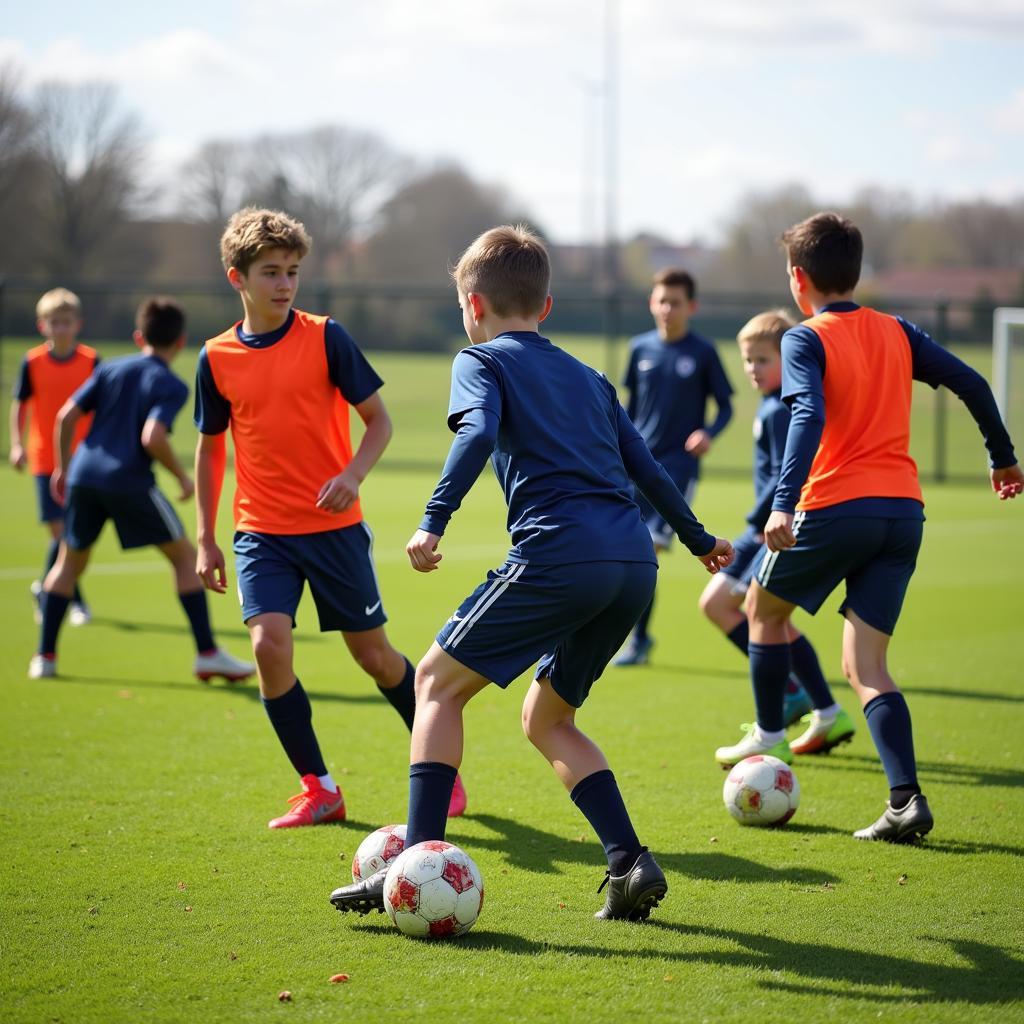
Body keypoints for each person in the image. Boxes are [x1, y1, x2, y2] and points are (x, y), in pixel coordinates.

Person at [329, 225, 733, 922]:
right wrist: (697, 541)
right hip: (634, 563)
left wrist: (433, 518)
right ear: (544, 307)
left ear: (472, 303)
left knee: (433, 683)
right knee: (548, 716)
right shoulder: (591, 377)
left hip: (560, 555)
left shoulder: (480, 361)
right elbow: (647, 469)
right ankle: (629, 862)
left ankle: (416, 864)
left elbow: (478, 432)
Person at [713, 212, 1022, 842]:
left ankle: (768, 735)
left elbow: (804, 416)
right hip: (903, 514)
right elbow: (971, 379)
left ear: (799, 279)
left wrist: (782, 503)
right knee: (867, 665)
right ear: (853, 273)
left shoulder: (805, 338)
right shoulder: (897, 330)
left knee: (760, 609)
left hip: (833, 507)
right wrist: (1002, 456)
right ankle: (905, 801)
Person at [193, 207, 465, 830]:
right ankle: (319, 787)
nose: (284, 284)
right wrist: (206, 538)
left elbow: (379, 421)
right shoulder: (215, 358)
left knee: (373, 657)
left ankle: (440, 770)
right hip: (260, 532)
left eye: (291, 271)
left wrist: (351, 476)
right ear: (237, 276)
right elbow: (211, 448)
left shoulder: (326, 336)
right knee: (267, 645)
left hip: (334, 531)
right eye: (270, 273)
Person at [29, 298, 254, 688]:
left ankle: (44, 657)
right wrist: (183, 478)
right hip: (128, 481)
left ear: (139, 336)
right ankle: (206, 654)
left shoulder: (111, 367)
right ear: (180, 342)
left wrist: (65, 468)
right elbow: (152, 437)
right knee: (185, 557)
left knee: (68, 563)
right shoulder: (171, 384)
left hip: (84, 476)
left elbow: (66, 416)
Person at [698, 311, 855, 751]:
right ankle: (821, 709)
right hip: (767, 526)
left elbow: (791, 472)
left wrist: (760, 515)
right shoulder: (771, 406)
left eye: (763, 360)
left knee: (742, 609)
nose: (753, 369)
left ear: (789, 359)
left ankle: (796, 702)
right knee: (751, 613)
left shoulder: (786, 408)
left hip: (774, 526)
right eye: (748, 360)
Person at [615, 268, 734, 666]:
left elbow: (727, 405)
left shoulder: (702, 352)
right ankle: (640, 639)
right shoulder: (639, 348)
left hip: (678, 470)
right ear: (652, 303)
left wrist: (709, 432)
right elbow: (629, 410)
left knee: (647, 547)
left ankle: (637, 640)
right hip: (637, 466)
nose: (667, 309)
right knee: (630, 552)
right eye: (661, 301)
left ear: (691, 307)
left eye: (675, 302)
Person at [10, 288, 98, 627]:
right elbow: (20, 405)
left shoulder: (92, 361)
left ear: (78, 324)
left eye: (66, 322)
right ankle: (67, 599)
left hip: (83, 462)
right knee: (63, 536)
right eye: (54, 322)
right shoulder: (32, 362)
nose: (60, 328)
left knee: (73, 536)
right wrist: (17, 444)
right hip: (45, 461)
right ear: (42, 325)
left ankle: (49, 592)